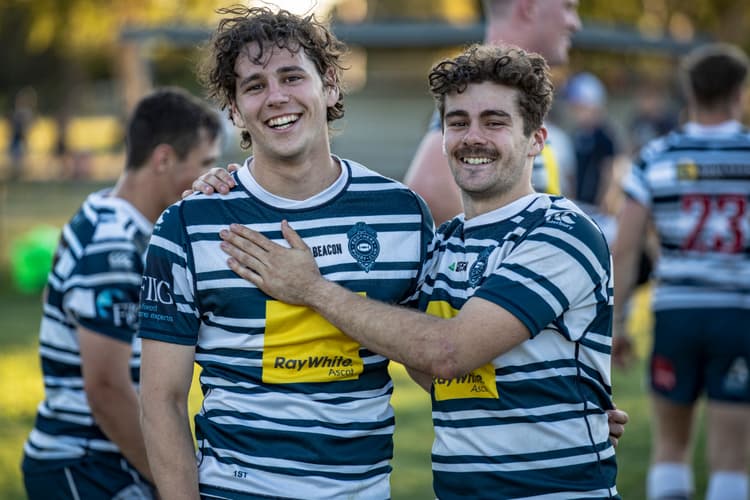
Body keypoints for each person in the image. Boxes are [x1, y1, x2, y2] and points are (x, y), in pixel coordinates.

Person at [220, 43, 620, 498]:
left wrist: (312, 289)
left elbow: (446, 354)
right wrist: (232, 181)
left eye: (495, 122)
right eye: (457, 122)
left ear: (537, 140)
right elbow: (426, 363)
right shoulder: (441, 243)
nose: (473, 137)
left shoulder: (561, 231)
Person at [136, 7, 434, 499]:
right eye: (253, 86)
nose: (276, 97)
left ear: (331, 86)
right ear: (234, 111)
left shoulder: (401, 214)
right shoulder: (189, 225)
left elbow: (436, 363)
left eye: (292, 76)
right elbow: (161, 400)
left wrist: (572, 410)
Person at [20, 87, 222, 500]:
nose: (209, 178)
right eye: (204, 164)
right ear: (163, 159)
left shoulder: (108, 212)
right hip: (88, 465)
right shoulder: (113, 246)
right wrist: (172, 484)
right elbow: (107, 389)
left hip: (100, 463)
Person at [612, 43, 750, 500]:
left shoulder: (657, 156)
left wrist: (618, 322)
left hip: (676, 315)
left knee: (669, 448)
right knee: (733, 458)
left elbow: (626, 247)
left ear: (689, 91)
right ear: (740, 93)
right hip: (738, 315)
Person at [403, 0, 582, 225]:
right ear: (529, 7)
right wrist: (493, 249)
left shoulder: (518, 97)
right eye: (568, 7)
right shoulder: (477, 95)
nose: (575, 24)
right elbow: (430, 189)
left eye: (494, 122)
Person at [564, 71, 619, 244]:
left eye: (580, 108)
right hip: (578, 204)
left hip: (597, 208)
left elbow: (609, 169)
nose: (577, 114)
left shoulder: (604, 135)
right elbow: (572, 172)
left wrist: (607, 197)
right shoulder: (577, 133)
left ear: (594, 106)